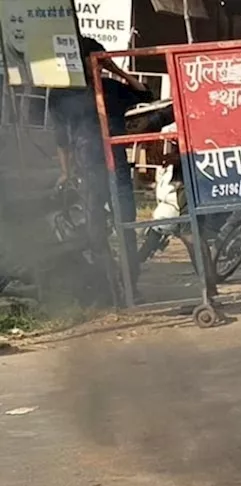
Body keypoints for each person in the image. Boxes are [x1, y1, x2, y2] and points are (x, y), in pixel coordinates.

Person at [48, 36, 150, 298]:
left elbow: (144, 94)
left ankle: (130, 284)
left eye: (99, 62)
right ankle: (108, 285)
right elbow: (62, 138)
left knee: (126, 223)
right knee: (95, 229)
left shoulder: (110, 88)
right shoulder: (62, 94)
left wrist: (115, 69)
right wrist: (65, 172)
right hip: (89, 166)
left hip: (116, 165)